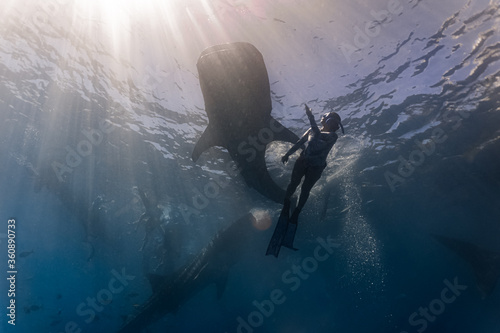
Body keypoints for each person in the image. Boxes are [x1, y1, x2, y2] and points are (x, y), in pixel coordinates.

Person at [281, 104, 344, 226]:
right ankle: (286, 202)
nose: (334, 127)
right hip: (303, 161)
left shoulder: (333, 136)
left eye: (336, 125)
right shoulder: (312, 130)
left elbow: (318, 136)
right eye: (333, 123)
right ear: (326, 121)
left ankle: (297, 212)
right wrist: (287, 154)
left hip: (316, 168)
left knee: (305, 189)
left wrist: (310, 117)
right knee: (293, 183)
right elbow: (300, 142)